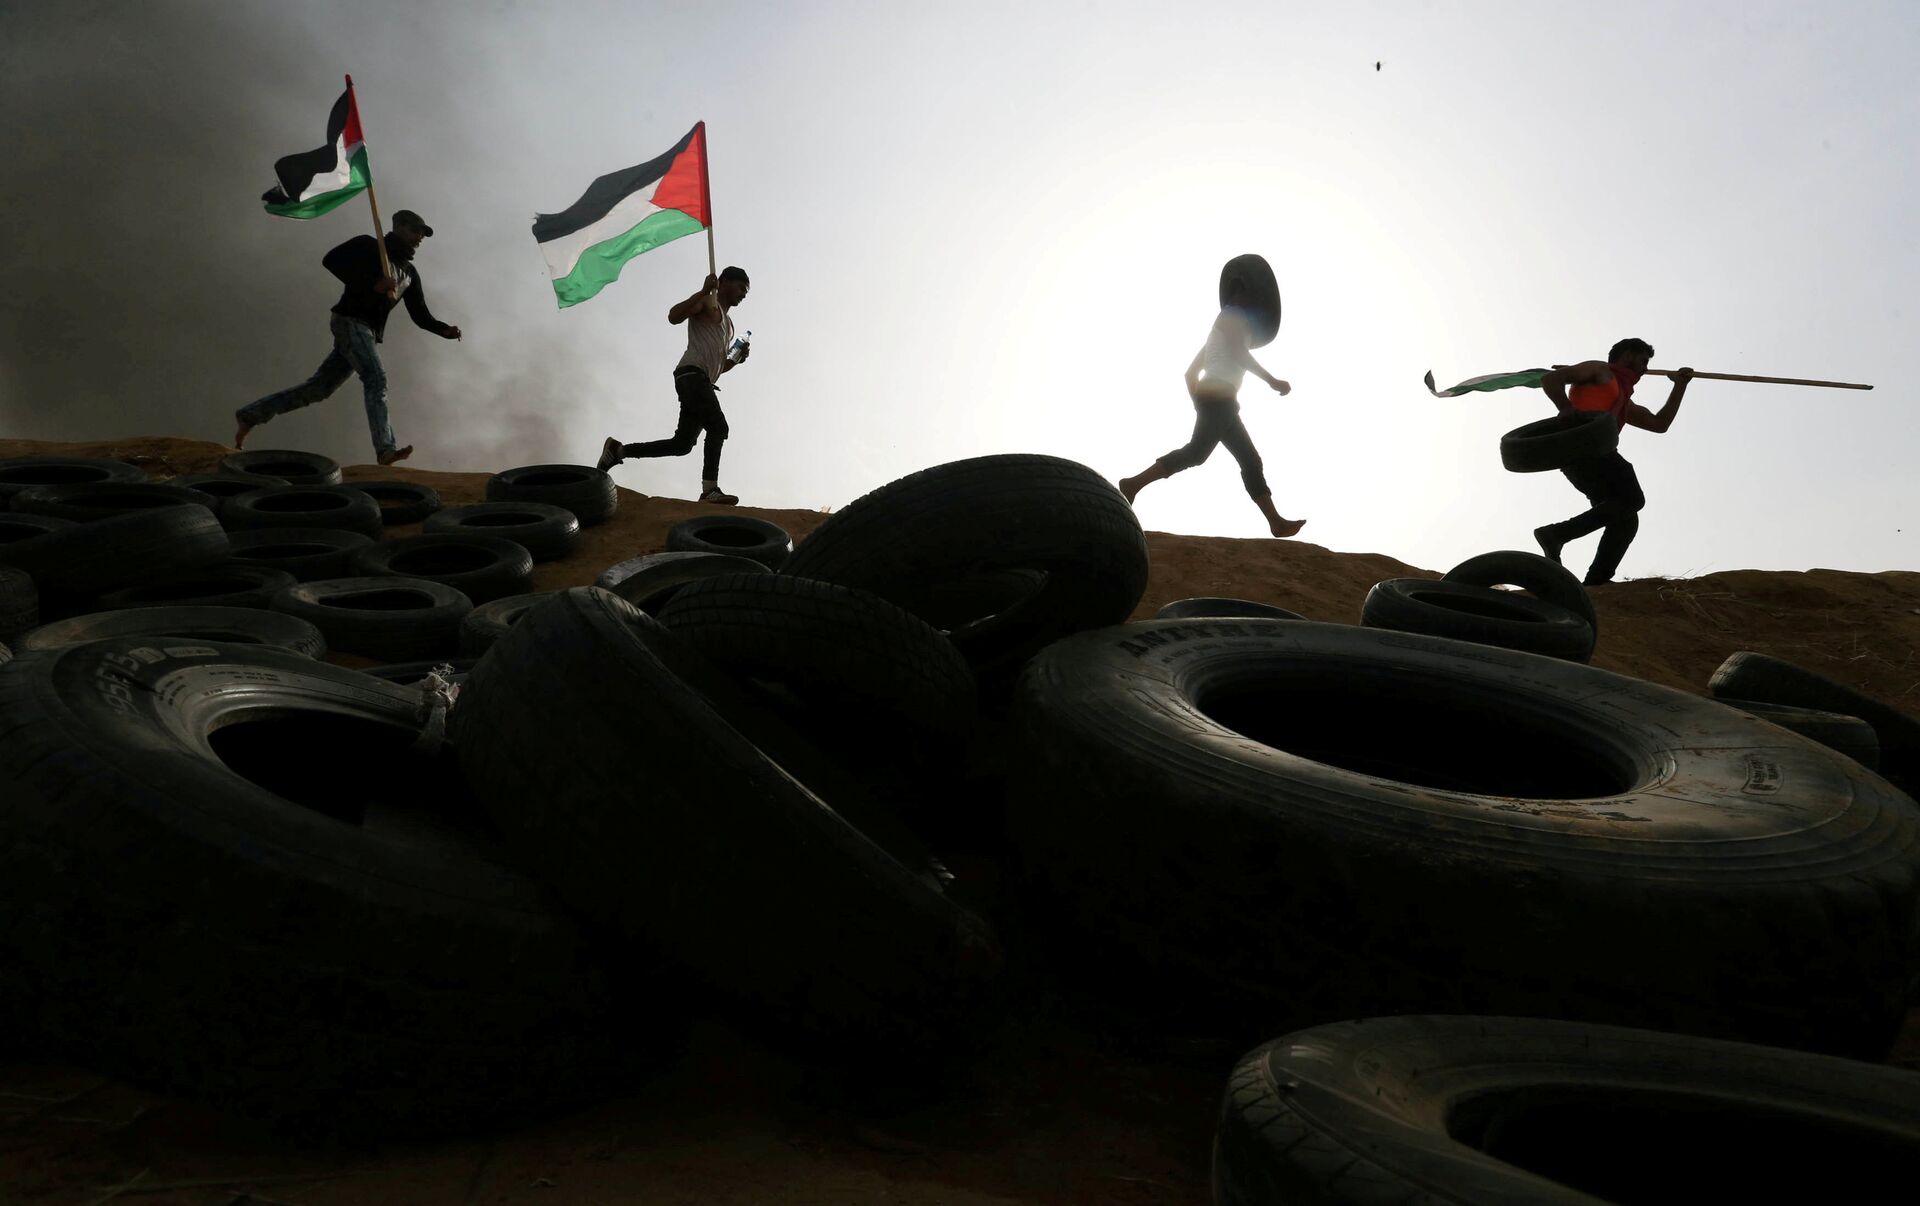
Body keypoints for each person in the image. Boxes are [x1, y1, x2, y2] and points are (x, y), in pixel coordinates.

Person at [234, 209, 462, 466]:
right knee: (375, 377)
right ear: (398, 226)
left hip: (367, 332)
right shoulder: (369, 246)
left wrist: (443, 330)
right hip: (350, 320)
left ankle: (251, 415)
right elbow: (331, 260)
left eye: (422, 234)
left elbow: (420, 314)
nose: (419, 237)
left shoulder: (409, 273)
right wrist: (371, 284)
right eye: (415, 231)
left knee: (319, 388)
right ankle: (385, 449)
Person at [1117, 280, 1305, 538]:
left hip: (1221, 399)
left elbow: (1190, 373)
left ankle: (1276, 522)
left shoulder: (1221, 329)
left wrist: (1199, 401)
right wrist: (1271, 380)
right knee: (1197, 452)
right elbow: (1239, 354)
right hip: (1219, 397)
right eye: (1251, 296)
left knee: (1249, 459)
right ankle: (1133, 484)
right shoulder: (1231, 316)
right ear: (1239, 294)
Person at [1534, 339, 1694, 585]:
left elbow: (1659, 424)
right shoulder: (1599, 370)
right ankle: (1556, 534)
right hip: (1584, 445)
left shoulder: (1621, 398)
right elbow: (1550, 379)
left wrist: (1680, 386)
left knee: (1626, 519)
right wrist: (1564, 407)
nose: (1645, 369)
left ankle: (1596, 582)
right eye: (1643, 361)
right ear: (1627, 356)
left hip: (1584, 458)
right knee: (1632, 500)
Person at [597, 266, 751, 505]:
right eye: (741, 287)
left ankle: (618, 451)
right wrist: (703, 291)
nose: (743, 294)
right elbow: (674, 316)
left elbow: (720, 366)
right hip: (692, 375)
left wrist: (735, 360)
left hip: (702, 380)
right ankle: (709, 490)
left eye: (746, 291)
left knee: (682, 445)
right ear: (724, 281)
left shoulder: (728, 325)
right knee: (718, 427)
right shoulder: (707, 303)